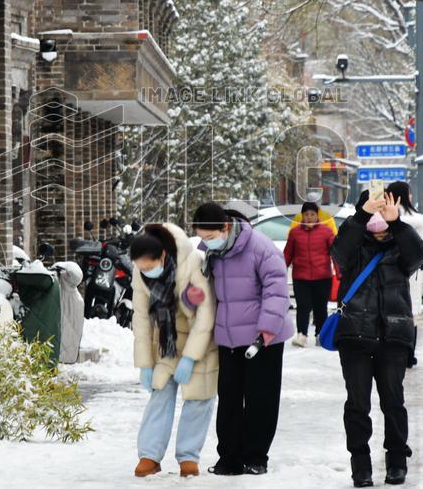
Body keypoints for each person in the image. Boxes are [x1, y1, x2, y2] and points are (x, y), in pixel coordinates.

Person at [330, 190, 423, 487]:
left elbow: (420, 256)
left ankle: (397, 462)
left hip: (393, 336)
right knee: (358, 404)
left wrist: (397, 223)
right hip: (355, 338)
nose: (377, 215)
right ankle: (360, 466)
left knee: (393, 402)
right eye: (372, 208)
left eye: (382, 208)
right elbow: (338, 252)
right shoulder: (354, 243)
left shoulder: (401, 245)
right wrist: (362, 216)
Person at [192, 202, 294, 476]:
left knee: (261, 398)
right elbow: (203, 290)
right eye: (202, 237)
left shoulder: (260, 247)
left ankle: (255, 456)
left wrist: (267, 328)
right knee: (229, 398)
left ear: (225, 227)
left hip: (263, 337)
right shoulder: (211, 254)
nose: (206, 242)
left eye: (210, 237)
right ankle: (229, 458)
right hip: (228, 337)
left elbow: (276, 289)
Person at [130, 223, 219, 479]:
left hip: (198, 339)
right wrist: (144, 364)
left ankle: (188, 456)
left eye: (150, 266)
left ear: (163, 256)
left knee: (199, 397)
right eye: (141, 267)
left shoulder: (193, 262)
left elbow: (205, 312)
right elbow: (141, 318)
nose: (146, 271)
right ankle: (149, 455)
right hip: (166, 340)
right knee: (159, 392)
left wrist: (190, 358)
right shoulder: (140, 271)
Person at [386, 181, 423, 368]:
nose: (411, 197)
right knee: (411, 315)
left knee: (392, 312)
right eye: (409, 193)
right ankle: (409, 353)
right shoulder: (415, 221)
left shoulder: (385, 216)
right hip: (412, 274)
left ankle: (394, 352)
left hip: (389, 273)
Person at [283, 201, 337, 347]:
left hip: (323, 277)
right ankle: (302, 335)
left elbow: (335, 254)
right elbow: (288, 254)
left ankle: (320, 335)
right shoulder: (295, 233)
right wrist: (280, 271)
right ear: (302, 216)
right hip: (301, 277)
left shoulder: (326, 232)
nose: (309, 217)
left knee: (321, 307)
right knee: (303, 306)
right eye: (306, 214)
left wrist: (339, 273)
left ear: (317, 215)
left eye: (312, 214)